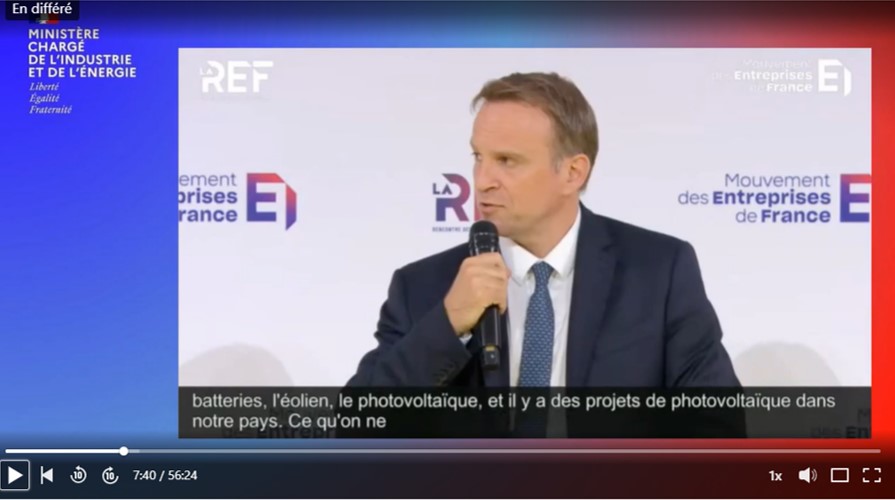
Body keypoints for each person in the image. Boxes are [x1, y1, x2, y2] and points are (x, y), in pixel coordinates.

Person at [346, 72, 740, 392]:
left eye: (507, 161)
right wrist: (447, 325)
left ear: (573, 172)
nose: (481, 181)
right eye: (478, 157)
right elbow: (359, 424)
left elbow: (717, 427)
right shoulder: (423, 287)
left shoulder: (658, 273)